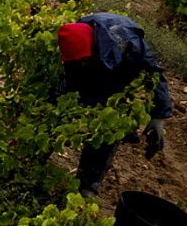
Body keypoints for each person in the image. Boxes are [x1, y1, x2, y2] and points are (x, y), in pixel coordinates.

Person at [57, 12, 172, 196]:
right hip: (93, 58)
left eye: (83, 61)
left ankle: (88, 185)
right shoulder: (76, 32)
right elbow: (72, 72)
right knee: (66, 94)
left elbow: (155, 74)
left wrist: (159, 115)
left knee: (105, 127)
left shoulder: (129, 44)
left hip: (120, 72)